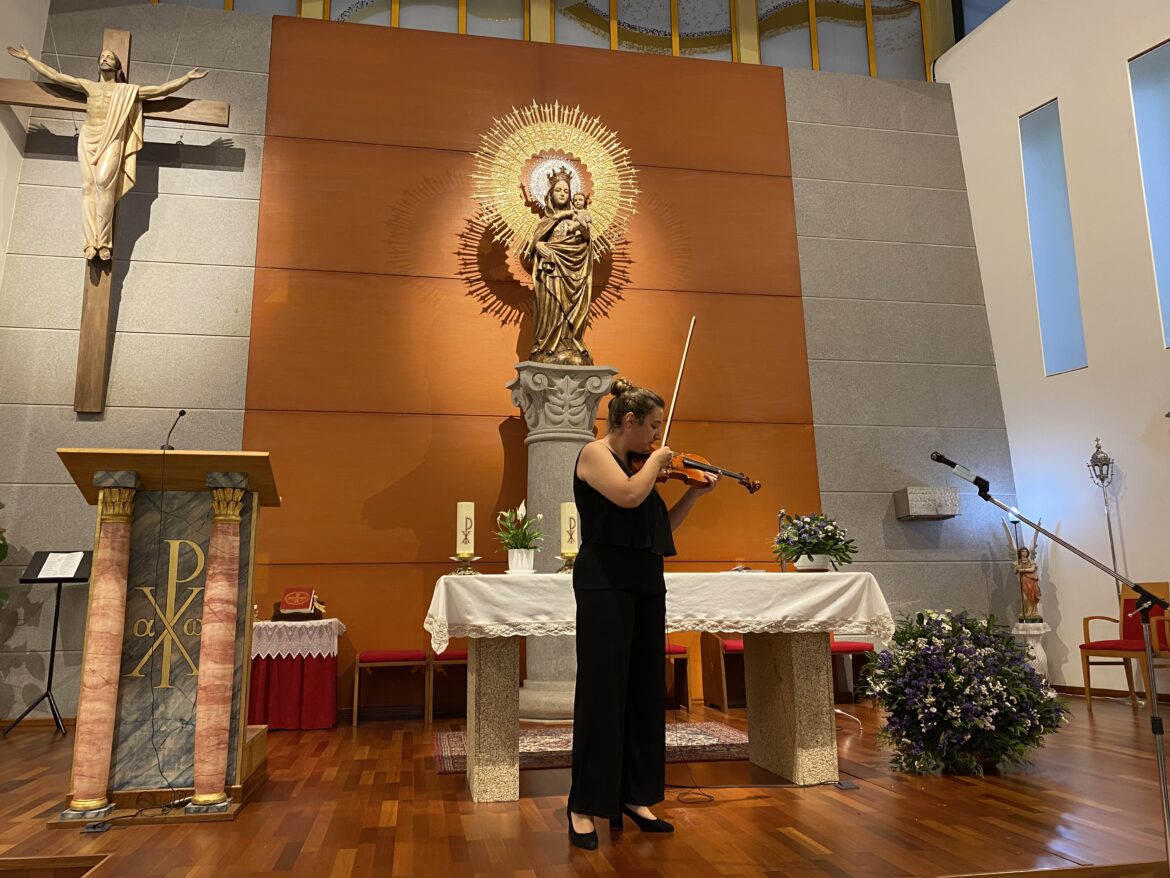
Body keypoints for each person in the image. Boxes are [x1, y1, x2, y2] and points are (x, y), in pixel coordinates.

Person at [567, 378, 719, 850]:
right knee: (603, 689)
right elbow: (629, 497)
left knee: (644, 689)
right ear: (627, 421)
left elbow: (658, 525)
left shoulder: (644, 469)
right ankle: (585, 805)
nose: (657, 439)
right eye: (651, 428)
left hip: (645, 581)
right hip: (605, 581)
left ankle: (636, 796)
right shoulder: (594, 455)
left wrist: (692, 493)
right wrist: (658, 460)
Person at [6, 45, 207, 262]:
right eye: (102, 56)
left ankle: (104, 241)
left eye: (109, 57)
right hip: (88, 137)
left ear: (117, 65)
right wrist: (28, 58)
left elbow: (160, 90)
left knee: (104, 183)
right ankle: (90, 242)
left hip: (112, 138)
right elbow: (57, 77)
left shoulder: (127, 91)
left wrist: (186, 78)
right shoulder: (88, 86)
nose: (104, 59)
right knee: (88, 187)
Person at [521, 167, 594, 365]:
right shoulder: (545, 221)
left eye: (566, 191)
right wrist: (538, 245)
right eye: (558, 190)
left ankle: (570, 342)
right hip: (551, 273)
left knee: (571, 310)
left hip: (573, 273)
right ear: (549, 194)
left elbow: (587, 244)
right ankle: (548, 345)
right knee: (551, 307)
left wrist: (584, 233)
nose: (562, 194)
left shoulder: (576, 218)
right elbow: (532, 248)